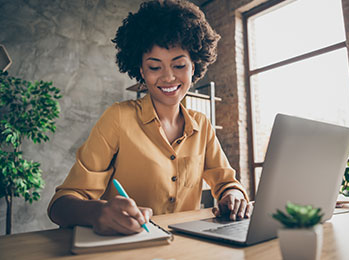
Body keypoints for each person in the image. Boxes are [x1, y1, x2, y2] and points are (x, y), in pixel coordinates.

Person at [47, 0, 252, 236]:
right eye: (155, 67)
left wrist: (233, 195)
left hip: (185, 249)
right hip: (125, 249)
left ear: (193, 67)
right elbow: (60, 205)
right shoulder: (118, 118)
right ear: (141, 71)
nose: (168, 77)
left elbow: (226, 183)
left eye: (179, 65)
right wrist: (96, 213)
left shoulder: (202, 125)